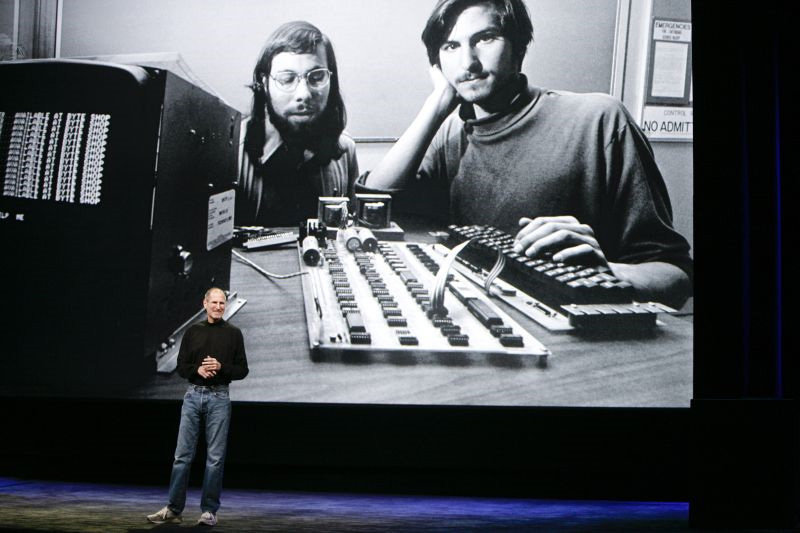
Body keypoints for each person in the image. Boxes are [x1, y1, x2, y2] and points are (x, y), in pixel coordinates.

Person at [362, 0, 692, 309]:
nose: (468, 63)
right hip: (487, 327)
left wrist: (607, 273)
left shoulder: (600, 120)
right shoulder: (450, 133)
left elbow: (676, 277)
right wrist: (436, 106)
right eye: (451, 46)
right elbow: (372, 206)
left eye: (486, 39)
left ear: (518, 46)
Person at [236, 20, 359, 227]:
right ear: (264, 84)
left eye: (317, 77)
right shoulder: (230, 153)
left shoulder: (345, 150)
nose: (304, 94)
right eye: (287, 79)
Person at [147, 288, 249, 527]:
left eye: (222, 303)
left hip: (219, 397)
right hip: (193, 396)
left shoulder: (234, 334)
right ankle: (174, 509)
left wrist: (221, 367)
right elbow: (182, 365)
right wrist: (197, 370)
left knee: (215, 458)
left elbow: (243, 370)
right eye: (214, 302)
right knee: (182, 456)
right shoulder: (193, 332)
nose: (218, 307)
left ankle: (209, 512)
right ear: (205, 303)